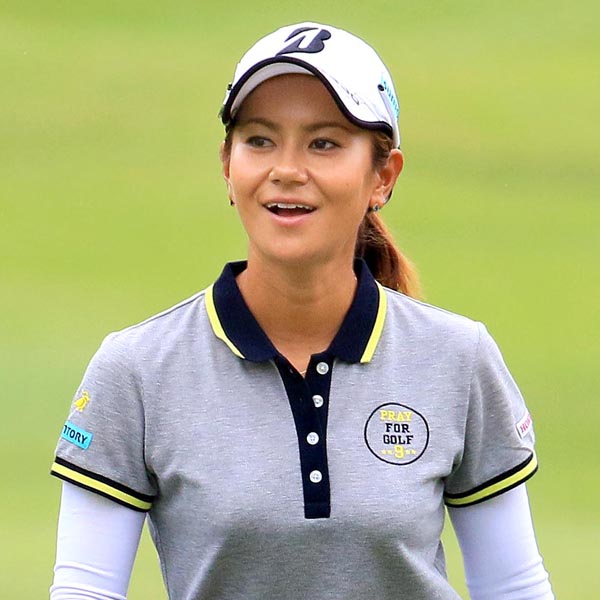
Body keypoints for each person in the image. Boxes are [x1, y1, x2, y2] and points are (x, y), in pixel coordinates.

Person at [50, 22, 554, 600]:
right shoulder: (136, 369)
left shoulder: (458, 358)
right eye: (260, 140)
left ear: (383, 177)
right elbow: (85, 591)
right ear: (227, 165)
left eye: (324, 143)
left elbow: (512, 586)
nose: (286, 170)